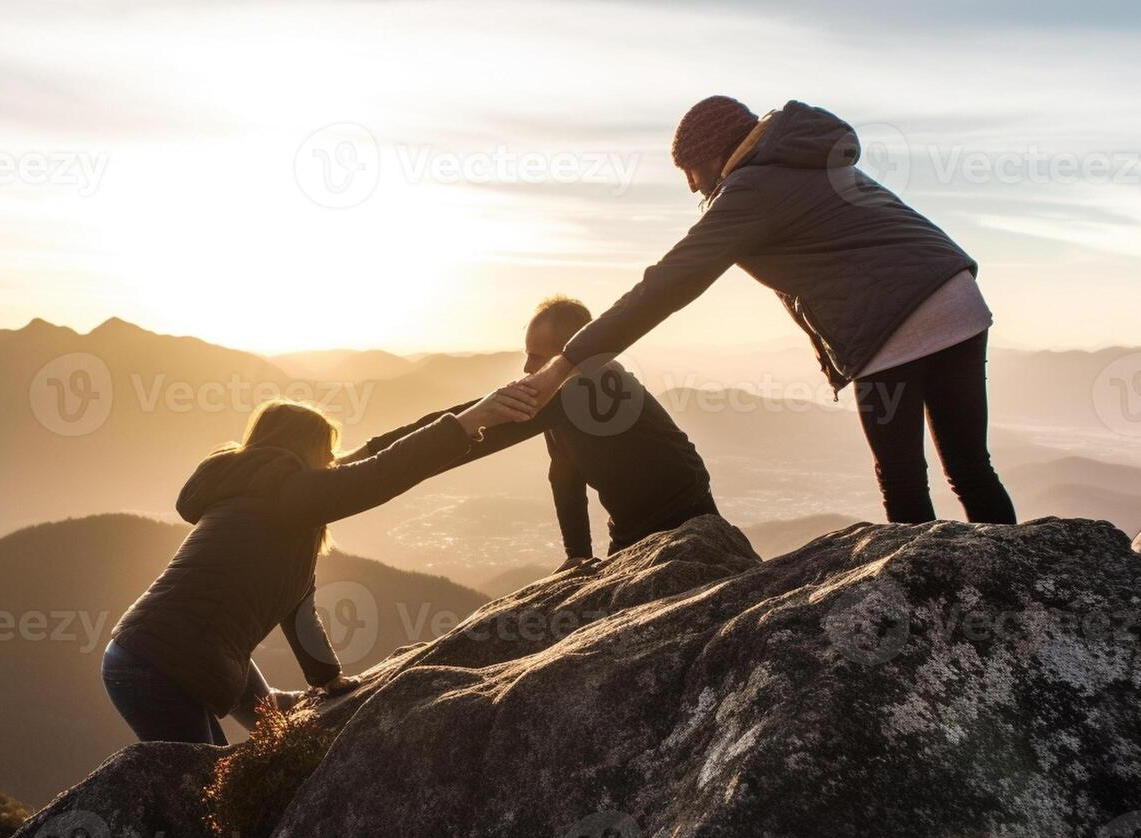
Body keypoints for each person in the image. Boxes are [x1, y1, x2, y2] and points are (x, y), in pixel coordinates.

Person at [516, 96, 1016, 525]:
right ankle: (1014, 593)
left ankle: (925, 610)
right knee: (971, 466)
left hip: (893, 320)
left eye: (689, 169)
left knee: (902, 479)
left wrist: (567, 361)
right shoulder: (807, 160)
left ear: (713, 157)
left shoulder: (751, 190)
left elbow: (666, 285)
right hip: (956, 297)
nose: (691, 185)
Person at [103, 390, 531, 744]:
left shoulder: (259, 501)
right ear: (304, 450)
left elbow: (299, 612)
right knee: (203, 784)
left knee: (265, 719)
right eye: (326, 451)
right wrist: (469, 421)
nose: (332, 460)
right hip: (156, 663)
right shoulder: (289, 495)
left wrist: (326, 680)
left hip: (158, 650)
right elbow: (382, 473)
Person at [344, 296, 717, 568]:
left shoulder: (580, 388)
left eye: (538, 357)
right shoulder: (567, 394)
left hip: (683, 516)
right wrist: (578, 554)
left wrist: (365, 459)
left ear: (572, 355)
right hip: (636, 524)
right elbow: (565, 473)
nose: (526, 366)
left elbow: (459, 422)